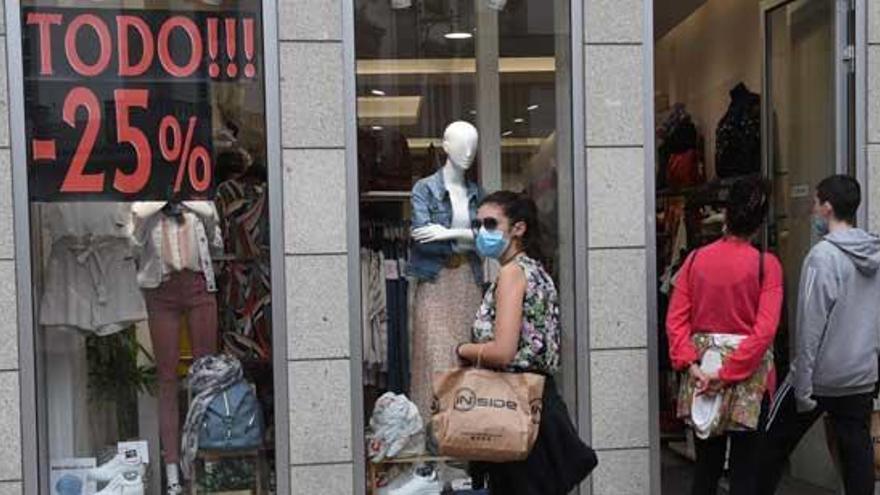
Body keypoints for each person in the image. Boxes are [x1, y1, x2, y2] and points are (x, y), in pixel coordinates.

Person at [455, 191, 596, 495]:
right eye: (478, 225)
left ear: (518, 228)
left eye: (491, 224)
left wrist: (463, 350)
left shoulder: (512, 274)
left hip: (515, 406)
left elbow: (503, 351)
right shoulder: (538, 272)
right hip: (539, 404)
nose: (482, 232)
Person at [757, 175, 880, 495]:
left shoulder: (822, 257)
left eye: (815, 203)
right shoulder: (875, 254)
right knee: (857, 456)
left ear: (827, 207)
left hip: (821, 376)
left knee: (770, 446)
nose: (812, 210)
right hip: (860, 375)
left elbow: (810, 326)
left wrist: (802, 386)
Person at [666, 176, 784, 495]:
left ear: (725, 216)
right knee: (745, 470)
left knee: (706, 467)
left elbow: (675, 321)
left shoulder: (694, 260)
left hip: (702, 370)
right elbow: (765, 331)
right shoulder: (766, 265)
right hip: (749, 378)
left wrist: (693, 367)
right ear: (759, 224)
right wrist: (731, 373)